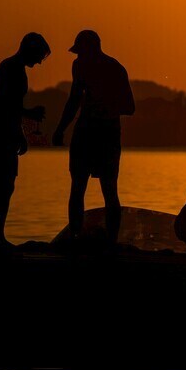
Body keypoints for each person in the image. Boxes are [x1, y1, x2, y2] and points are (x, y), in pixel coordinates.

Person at [52, 30, 135, 244]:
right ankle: (76, 236)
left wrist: (103, 106)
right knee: (78, 187)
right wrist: (60, 129)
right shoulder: (80, 66)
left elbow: (129, 106)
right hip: (87, 133)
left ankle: (111, 241)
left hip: (105, 134)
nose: (79, 57)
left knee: (108, 189)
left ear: (92, 49)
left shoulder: (115, 69)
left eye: (81, 52)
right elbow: (73, 100)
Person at [0, 32, 50, 246]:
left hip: (5, 134)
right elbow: (4, 104)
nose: (38, 62)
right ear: (29, 49)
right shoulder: (10, 68)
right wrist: (30, 113)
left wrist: (20, 133)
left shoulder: (15, 69)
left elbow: (10, 108)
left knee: (5, 186)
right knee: (0, 186)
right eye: (38, 56)